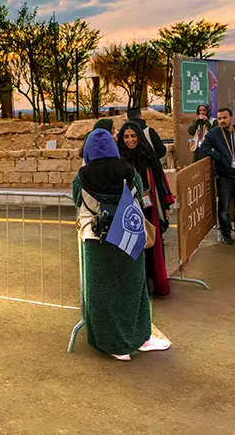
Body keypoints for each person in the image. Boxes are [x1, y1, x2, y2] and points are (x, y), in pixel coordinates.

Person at [72, 129, 172, 360]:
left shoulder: (82, 176)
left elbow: (77, 197)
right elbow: (137, 194)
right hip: (128, 234)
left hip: (96, 240)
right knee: (133, 287)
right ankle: (141, 337)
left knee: (101, 290)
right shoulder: (129, 171)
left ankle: (113, 344)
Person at [118, 119, 174, 297]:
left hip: (149, 208)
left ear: (139, 136)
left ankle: (152, 282)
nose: (130, 140)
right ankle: (136, 285)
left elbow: (160, 178)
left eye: (133, 136)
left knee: (152, 246)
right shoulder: (119, 160)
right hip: (129, 210)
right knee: (132, 246)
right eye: (126, 136)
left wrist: (166, 204)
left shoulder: (148, 155)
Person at [194, 106, 235, 245]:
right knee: (224, 207)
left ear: (231, 118)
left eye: (224, 118)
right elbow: (204, 149)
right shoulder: (214, 134)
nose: (222, 121)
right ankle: (225, 232)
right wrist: (220, 158)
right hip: (225, 177)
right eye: (220, 118)